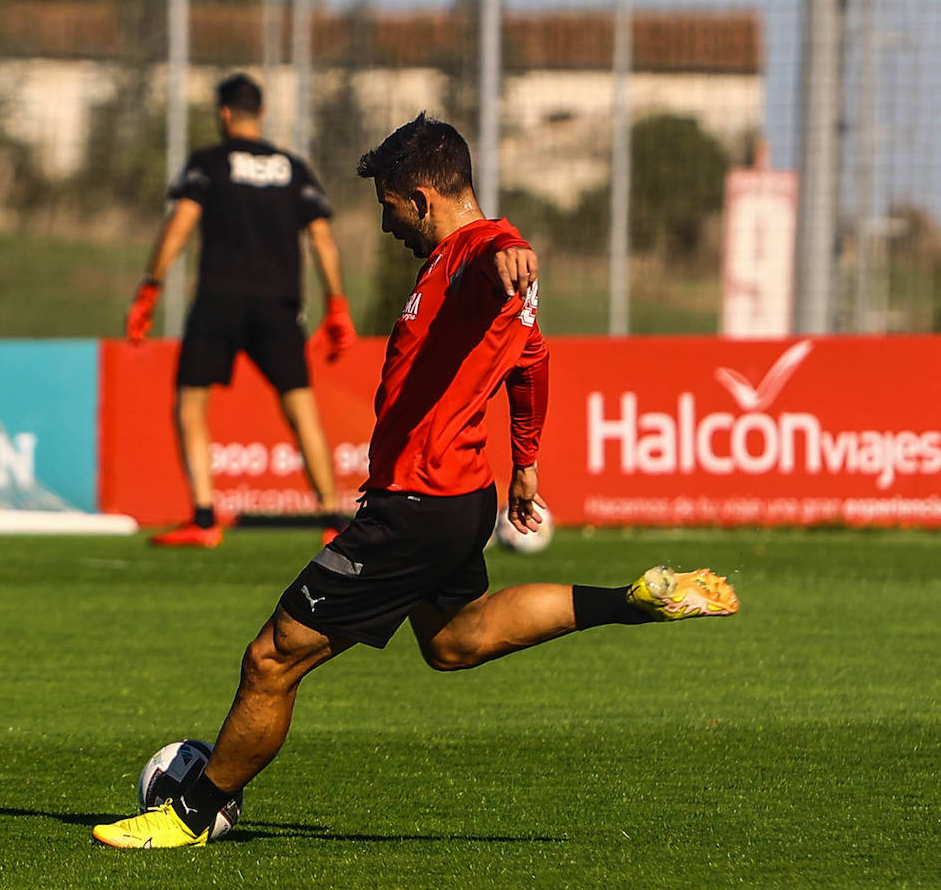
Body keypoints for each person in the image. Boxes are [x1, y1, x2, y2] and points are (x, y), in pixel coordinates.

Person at [93, 113, 739, 849]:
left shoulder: (473, 255)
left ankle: (189, 814)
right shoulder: (466, 270)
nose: (387, 224)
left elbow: (497, 250)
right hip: (461, 497)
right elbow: (530, 362)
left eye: (390, 207)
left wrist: (512, 249)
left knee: (271, 660)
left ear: (423, 198)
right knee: (456, 641)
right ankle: (630, 600)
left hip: (417, 505)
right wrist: (525, 462)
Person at [125, 73, 357, 549]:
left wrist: (150, 288)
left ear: (225, 113)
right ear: (261, 113)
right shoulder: (293, 168)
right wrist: (337, 304)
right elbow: (322, 239)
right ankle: (333, 518)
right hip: (279, 303)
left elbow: (180, 226)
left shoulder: (209, 163)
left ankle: (205, 519)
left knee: (191, 405)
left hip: (219, 299)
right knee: (301, 409)